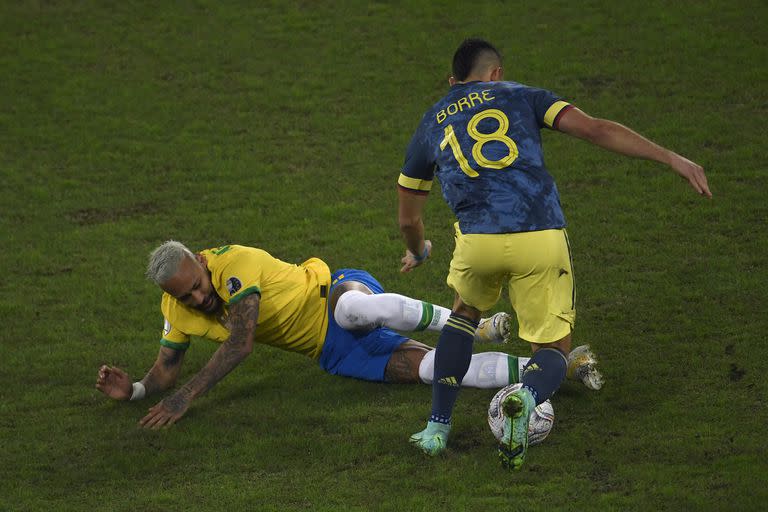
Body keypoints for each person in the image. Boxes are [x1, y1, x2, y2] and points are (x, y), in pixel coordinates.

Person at [397, 38, 710, 467]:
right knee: (554, 350)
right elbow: (596, 128)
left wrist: (420, 250)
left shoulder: (432, 120)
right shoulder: (525, 96)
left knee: (464, 315)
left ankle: (436, 429)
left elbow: (408, 219)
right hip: (539, 236)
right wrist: (670, 157)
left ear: (453, 83)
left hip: (478, 242)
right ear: (496, 74)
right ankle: (526, 397)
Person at [95, 241, 598, 429]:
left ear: (202, 264)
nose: (198, 300)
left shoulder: (234, 264)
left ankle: (477, 324)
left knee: (356, 309)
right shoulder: (175, 309)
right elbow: (166, 367)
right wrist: (136, 390)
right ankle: (557, 365)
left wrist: (186, 398)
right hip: (331, 353)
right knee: (432, 371)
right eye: (185, 297)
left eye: (197, 288)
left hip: (331, 292)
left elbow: (240, 342)